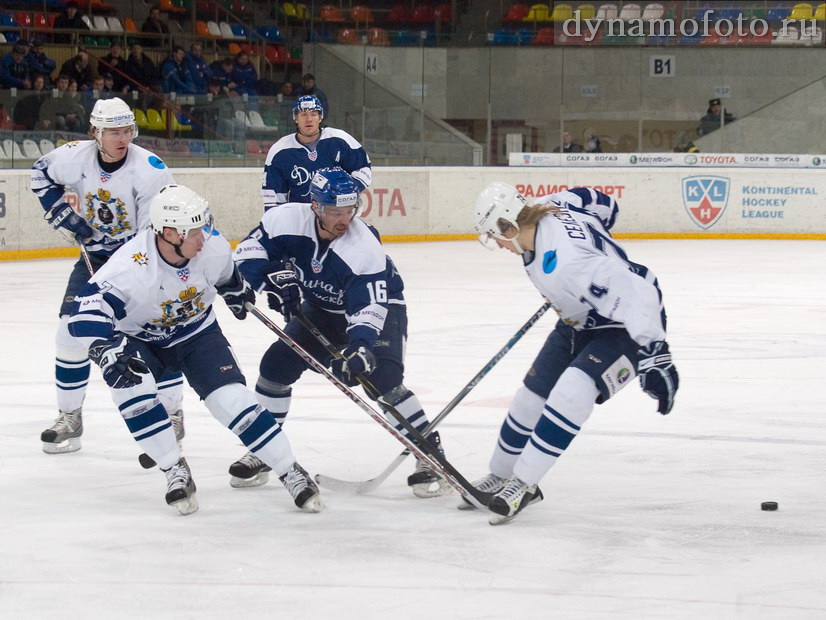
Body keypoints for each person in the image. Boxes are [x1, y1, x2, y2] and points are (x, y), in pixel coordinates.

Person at [66, 185, 322, 515]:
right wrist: (105, 350)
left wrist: (237, 290)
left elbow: (229, 277)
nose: (204, 236)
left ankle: (290, 471)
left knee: (231, 400)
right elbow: (85, 312)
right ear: (170, 233)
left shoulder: (211, 247)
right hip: (142, 339)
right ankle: (174, 469)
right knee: (133, 393)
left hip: (196, 333)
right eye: (195, 230)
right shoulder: (133, 267)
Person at [227, 167, 450, 498]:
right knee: (274, 369)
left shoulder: (364, 248)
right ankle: (265, 448)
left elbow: (368, 309)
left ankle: (429, 455)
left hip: (380, 309)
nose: (344, 219)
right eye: (335, 212)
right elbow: (248, 253)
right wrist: (268, 277)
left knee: (383, 379)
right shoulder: (285, 220)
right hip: (319, 309)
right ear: (316, 206)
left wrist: (360, 348)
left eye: (350, 210)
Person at [466, 182, 679, 525]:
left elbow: (638, 293)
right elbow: (599, 201)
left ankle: (524, 484)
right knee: (530, 398)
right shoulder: (552, 204)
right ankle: (500, 475)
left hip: (627, 324)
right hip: (580, 320)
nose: (498, 244)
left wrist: (656, 354)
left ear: (509, 225)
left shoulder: (568, 263)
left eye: (496, 236)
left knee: (572, 392)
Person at [30, 97, 186, 456]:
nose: (123, 138)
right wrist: (61, 213)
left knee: (156, 337)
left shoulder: (151, 169)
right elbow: (39, 173)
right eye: (114, 131)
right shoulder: (74, 156)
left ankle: (172, 413)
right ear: (95, 132)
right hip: (97, 256)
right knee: (70, 333)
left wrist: (134, 274)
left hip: (145, 260)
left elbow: (157, 233)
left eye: (128, 129)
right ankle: (70, 417)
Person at [261, 95, 371, 210]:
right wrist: (277, 220)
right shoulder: (280, 151)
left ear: (320, 117)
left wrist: (346, 195)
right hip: (301, 217)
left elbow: (363, 169)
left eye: (313, 114)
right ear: (296, 118)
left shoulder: (338, 140)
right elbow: (273, 196)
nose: (309, 119)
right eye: (303, 114)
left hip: (335, 213)